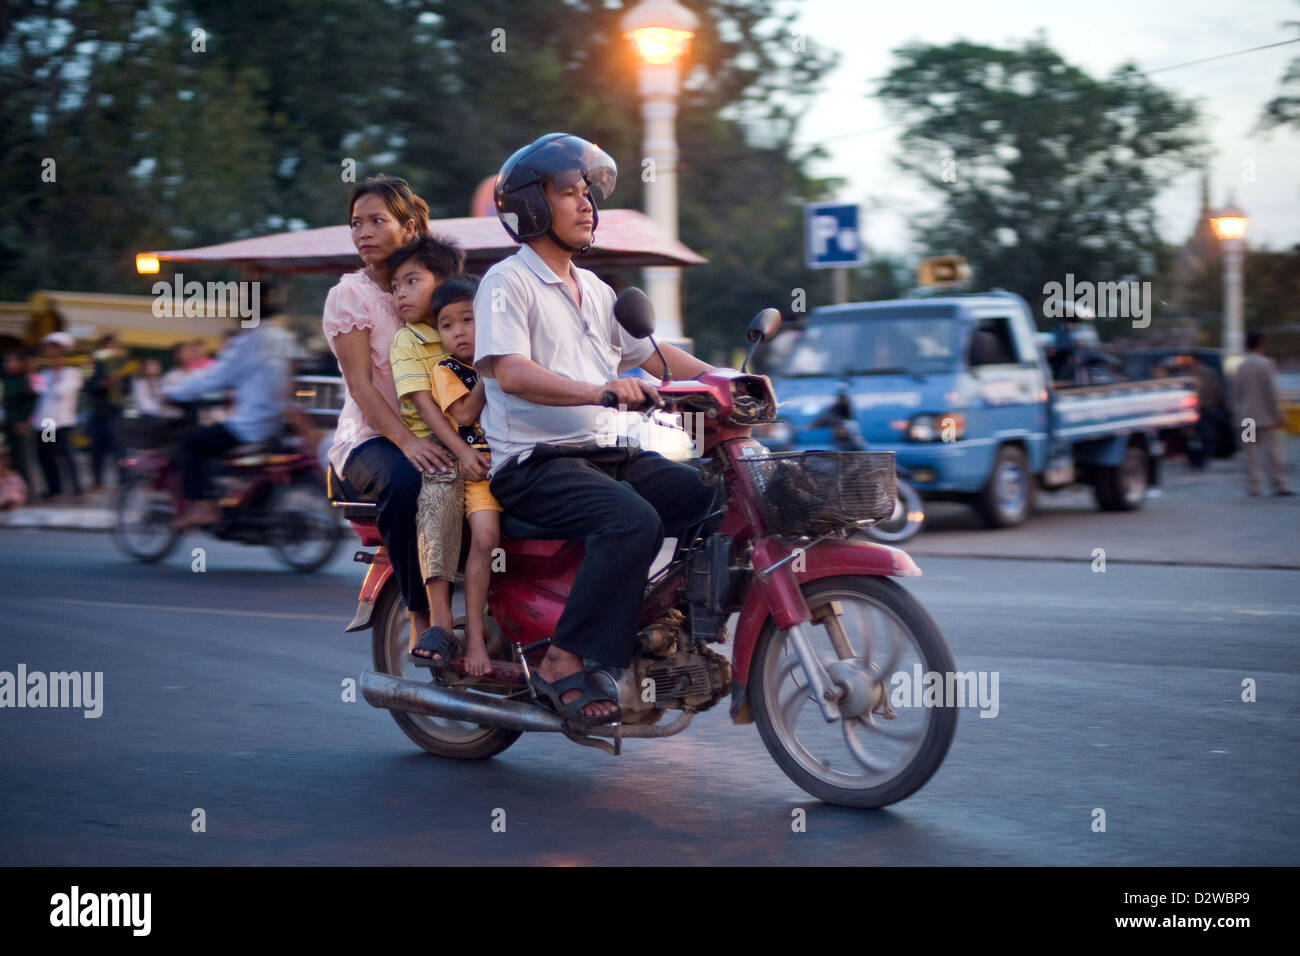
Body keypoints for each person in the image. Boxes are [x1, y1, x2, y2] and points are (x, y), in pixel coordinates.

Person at [476, 133, 717, 725]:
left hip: (606, 453)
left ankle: (663, 623)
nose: (587, 205)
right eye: (569, 193)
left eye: (587, 193)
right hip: (535, 463)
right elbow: (511, 372)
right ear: (533, 207)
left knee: (712, 496)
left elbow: (655, 356)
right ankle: (563, 659)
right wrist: (600, 389)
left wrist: (725, 380)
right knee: (631, 519)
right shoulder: (507, 283)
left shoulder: (596, 290)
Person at [321, 175, 455, 651]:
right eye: (356, 223)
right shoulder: (350, 297)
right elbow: (360, 385)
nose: (363, 233)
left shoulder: (433, 287)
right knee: (407, 482)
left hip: (440, 428)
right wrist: (409, 442)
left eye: (377, 220)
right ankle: (421, 616)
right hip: (370, 439)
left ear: (412, 225)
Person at [383, 236, 476, 669]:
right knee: (440, 489)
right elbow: (425, 406)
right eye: (395, 285)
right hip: (441, 445)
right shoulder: (409, 342)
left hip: (497, 440)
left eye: (411, 281)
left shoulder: (480, 328)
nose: (400, 292)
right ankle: (438, 617)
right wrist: (459, 449)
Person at [162, 303, 296, 527]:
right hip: (278, 422)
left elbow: (215, 377)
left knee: (191, 442)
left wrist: (174, 393)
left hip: (251, 424)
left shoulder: (246, 343)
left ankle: (203, 507)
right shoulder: (284, 337)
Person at [427, 275, 501, 675]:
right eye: (447, 324)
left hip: (522, 462)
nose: (458, 332)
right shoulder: (446, 370)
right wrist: (490, 371)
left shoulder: (512, 355)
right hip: (478, 473)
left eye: (468, 320)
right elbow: (465, 415)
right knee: (486, 537)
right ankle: (473, 635)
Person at [1232, 331, 1293, 496]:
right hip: (1265, 417)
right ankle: (1279, 484)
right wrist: (1278, 415)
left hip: (1246, 418)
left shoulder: (1241, 366)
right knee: (1272, 452)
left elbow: (1236, 394)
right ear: (1261, 345)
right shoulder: (1266, 364)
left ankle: (1254, 486)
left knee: (1250, 453)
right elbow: (1271, 393)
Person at [31, 331, 84, 501]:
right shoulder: (44, 374)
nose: (48, 351)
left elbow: (62, 392)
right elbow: (37, 392)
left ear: (62, 351)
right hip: (47, 422)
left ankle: (77, 490)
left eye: (52, 348)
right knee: (48, 457)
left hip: (62, 421)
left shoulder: (72, 373)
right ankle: (55, 489)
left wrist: (58, 371)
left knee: (67, 456)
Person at [86, 333, 135, 492]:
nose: (110, 349)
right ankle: (97, 481)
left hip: (116, 413)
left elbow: (128, 389)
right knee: (96, 450)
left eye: (113, 346)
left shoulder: (123, 365)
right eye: (106, 347)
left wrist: (118, 383)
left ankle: (124, 480)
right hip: (98, 412)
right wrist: (102, 384)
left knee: (120, 449)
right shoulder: (93, 364)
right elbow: (87, 386)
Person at [1, 349, 37, 491]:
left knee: (23, 459)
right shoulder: (5, 379)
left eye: (13, 360)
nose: (9, 364)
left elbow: (30, 403)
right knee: (9, 458)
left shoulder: (27, 380)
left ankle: (27, 490)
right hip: (7, 423)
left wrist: (24, 421)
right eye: (7, 361)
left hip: (25, 425)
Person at [0, 443, 28, 511]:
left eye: (5, 460)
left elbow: (23, 491)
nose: (3, 463)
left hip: (14, 504)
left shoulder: (14, 476)